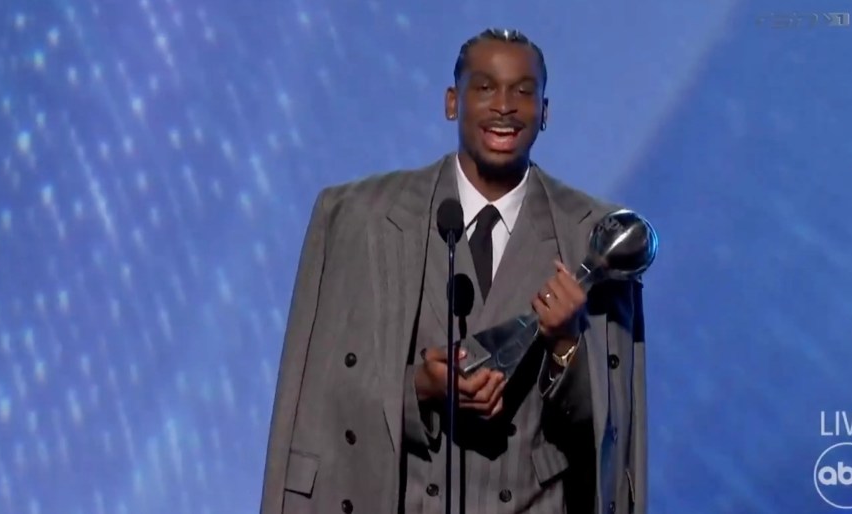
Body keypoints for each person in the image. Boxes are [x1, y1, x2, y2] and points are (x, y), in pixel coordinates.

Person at [259, 28, 648, 514]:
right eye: (484, 88)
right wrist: (419, 388)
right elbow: (318, 400)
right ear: (452, 102)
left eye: (523, 92)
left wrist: (566, 345)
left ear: (544, 113)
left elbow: (611, 435)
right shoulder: (358, 219)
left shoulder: (594, 237)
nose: (504, 106)